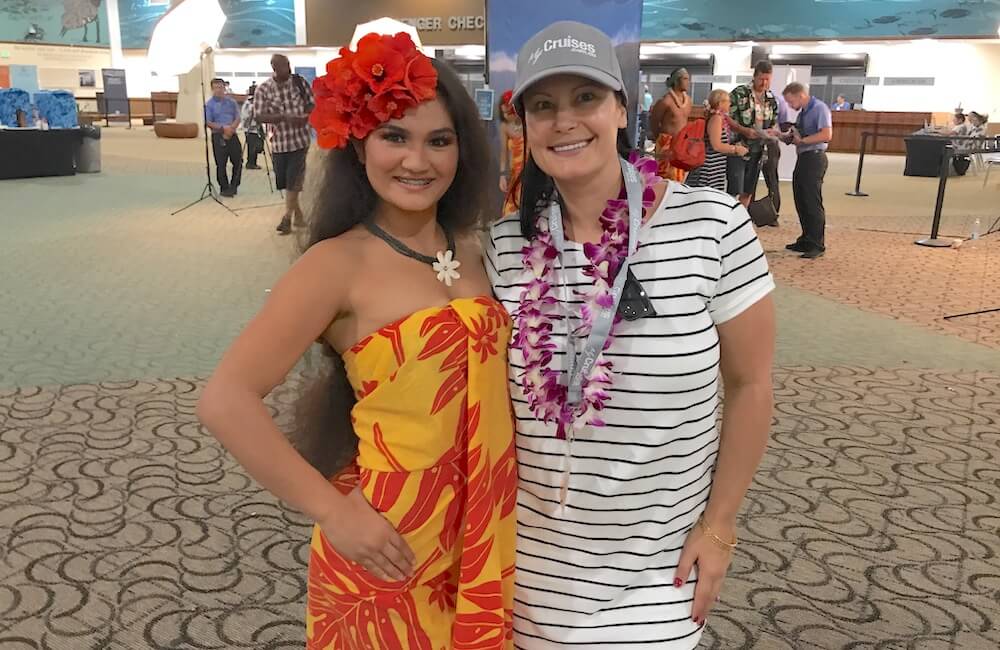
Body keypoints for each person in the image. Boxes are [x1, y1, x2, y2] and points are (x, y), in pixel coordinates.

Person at [197, 32, 515, 649]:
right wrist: (334, 512)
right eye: (395, 136)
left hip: (485, 534)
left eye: (439, 141)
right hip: (389, 547)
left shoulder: (477, 248)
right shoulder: (335, 265)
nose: (417, 161)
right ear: (358, 144)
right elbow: (226, 400)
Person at [486, 21, 775, 648]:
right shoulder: (506, 246)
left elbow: (752, 385)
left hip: (658, 570)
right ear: (524, 126)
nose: (565, 121)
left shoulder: (713, 225)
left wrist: (721, 526)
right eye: (544, 105)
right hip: (530, 571)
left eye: (585, 98)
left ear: (622, 107)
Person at [254, 54, 315, 235]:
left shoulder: (299, 82)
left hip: (300, 140)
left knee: (293, 180)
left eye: (288, 65)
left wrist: (306, 117)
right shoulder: (264, 89)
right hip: (280, 143)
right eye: (282, 67)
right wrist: (282, 117)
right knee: (285, 182)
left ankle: (287, 217)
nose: (287, 70)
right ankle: (299, 215)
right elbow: (259, 116)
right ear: (274, 68)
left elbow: (311, 104)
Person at [780, 82, 832, 259]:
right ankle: (806, 238)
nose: (789, 105)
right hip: (804, 157)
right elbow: (799, 136)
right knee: (800, 198)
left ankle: (817, 243)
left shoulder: (819, 108)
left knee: (811, 200)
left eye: (790, 101)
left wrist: (803, 141)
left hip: (815, 157)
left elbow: (826, 134)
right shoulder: (804, 112)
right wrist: (782, 136)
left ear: (801, 95)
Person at [728, 60, 778, 208]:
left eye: (767, 80)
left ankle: (741, 219)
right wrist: (743, 130)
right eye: (761, 79)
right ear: (754, 77)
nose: (764, 83)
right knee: (734, 188)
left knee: (749, 189)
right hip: (738, 148)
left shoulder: (771, 99)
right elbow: (725, 116)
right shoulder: (739, 93)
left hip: (759, 150)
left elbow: (773, 121)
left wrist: (771, 132)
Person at [687, 89, 748, 192]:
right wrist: (736, 149)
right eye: (727, 101)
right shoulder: (716, 119)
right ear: (720, 103)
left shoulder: (720, 118)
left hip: (715, 167)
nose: (730, 103)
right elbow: (716, 145)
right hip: (709, 170)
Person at [650, 67, 692, 181]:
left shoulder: (688, 100)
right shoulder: (666, 101)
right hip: (666, 143)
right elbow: (654, 121)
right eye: (685, 78)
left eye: (689, 79)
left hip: (682, 143)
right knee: (665, 178)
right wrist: (661, 139)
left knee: (680, 179)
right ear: (676, 80)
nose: (688, 82)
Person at [204, 77, 242, 198]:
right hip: (218, 134)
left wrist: (231, 128)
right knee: (221, 164)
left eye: (221, 87)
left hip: (232, 133)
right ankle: (224, 188)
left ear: (224, 88)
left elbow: (237, 117)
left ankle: (234, 186)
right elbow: (208, 122)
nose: (219, 90)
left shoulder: (232, 102)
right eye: (216, 88)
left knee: (238, 161)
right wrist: (223, 129)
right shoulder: (209, 105)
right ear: (212, 89)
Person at [498, 89, 524, 215]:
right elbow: (503, 152)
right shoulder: (505, 127)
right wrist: (502, 175)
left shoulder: (528, 123)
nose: (505, 116)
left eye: (508, 112)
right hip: (515, 173)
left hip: (530, 171)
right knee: (511, 208)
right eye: (503, 113)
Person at [241, 90, 263, 170]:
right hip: (250, 129)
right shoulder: (248, 105)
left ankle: (253, 162)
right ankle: (250, 163)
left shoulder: (255, 104)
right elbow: (245, 117)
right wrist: (252, 112)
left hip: (257, 128)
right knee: (252, 146)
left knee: (257, 146)